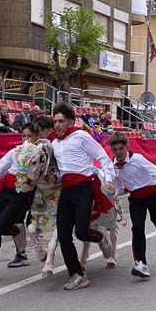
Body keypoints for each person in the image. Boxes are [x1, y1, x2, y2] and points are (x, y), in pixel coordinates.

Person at [0, 120, 45, 282]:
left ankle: (13, 228)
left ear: (37, 137)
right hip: (5, 194)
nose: (26, 140)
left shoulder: (41, 155)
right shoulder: (14, 152)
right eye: (23, 136)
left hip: (21, 196)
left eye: (29, 136)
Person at [51, 103, 115, 291]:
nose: (57, 125)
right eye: (54, 121)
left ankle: (101, 236)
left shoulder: (81, 136)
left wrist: (109, 178)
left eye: (61, 121)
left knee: (81, 232)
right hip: (66, 191)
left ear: (71, 121)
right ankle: (78, 275)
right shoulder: (54, 144)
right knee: (63, 235)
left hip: (84, 188)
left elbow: (102, 156)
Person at [106, 132, 156, 279]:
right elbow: (119, 188)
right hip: (135, 199)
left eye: (121, 148)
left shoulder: (137, 159)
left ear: (126, 147)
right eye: (115, 149)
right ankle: (140, 264)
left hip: (151, 194)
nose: (118, 152)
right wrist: (112, 194)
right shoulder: (113, 166)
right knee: (137, 228)